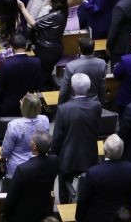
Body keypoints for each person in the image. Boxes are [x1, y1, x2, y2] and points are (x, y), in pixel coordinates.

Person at [52, 73, 102, 203]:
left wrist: (54, 154)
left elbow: (57, 136)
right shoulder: (96, 106)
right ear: (89, 87)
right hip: (89, 154)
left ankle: (64, 205)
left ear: (72, 88)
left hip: (69, 156)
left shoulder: (63, 109)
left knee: (63, 183)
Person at [3, 131, 60, 222]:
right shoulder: (55, 161)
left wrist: (5, 213)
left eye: (32, 140)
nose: (30, 140)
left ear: (34, 147)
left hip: (24, 214)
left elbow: (12, 196)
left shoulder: (23, 169)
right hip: (45, 210)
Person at [18, 0, 68, 90]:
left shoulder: (55, 15)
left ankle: (45, 97)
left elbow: (33, 23)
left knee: (42, 77)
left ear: (55, 1)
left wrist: (22, 8)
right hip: (55, 49)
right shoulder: (63, 11)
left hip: (47, 51)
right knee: (46, 73)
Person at [0, 93, 50, 178]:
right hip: (39, 165)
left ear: (23, 107)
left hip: (18, 168)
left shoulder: (14, 125)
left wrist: (2, 161)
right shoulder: (44, 120)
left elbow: (6, 150)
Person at [59, 37, 107, 104]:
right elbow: (102, 87)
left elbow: (64, 91)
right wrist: (101, 104)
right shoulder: (102, 63)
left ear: (79, 49)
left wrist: (60, 106)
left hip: (75, 104)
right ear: (93, 49)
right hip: (94, 103)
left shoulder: (71, 66)